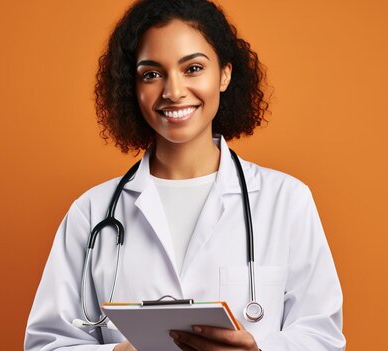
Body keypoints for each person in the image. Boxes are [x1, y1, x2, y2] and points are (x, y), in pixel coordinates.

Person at [25, 0, 345, 350]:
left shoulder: (286, 200)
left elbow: (322, 338)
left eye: (192, 68)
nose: (173, 91)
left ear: (224, 74)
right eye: (151, 74)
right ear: (132, 87)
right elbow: (47, 344)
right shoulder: (92, 212)